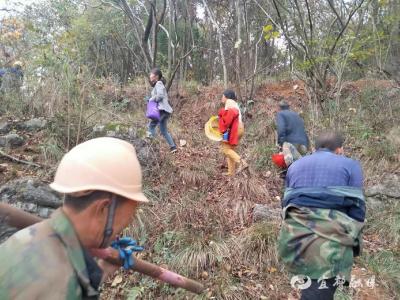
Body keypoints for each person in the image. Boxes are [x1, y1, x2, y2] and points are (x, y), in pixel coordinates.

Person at [0, 137, 149, 299]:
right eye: (130, 213)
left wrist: (102, 270)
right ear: (103, 208)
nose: (126, 224)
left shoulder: (22, 240)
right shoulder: (61, 284)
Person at [277, 131, 365, 300]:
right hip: (330, 241)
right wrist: (352, 239)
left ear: (315, 148)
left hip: (294, 238)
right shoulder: (350, 165)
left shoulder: (295, 165)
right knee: (318, 291)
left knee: (311, 288)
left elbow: (286, 203)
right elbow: (357, 209)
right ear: (339, 149)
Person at [146, 68, 177, 153]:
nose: (150, 76)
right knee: (163, 130)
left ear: (156, 76)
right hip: (165, 111)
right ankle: (173, 147)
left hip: (161, 110)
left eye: (151, 74)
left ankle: (152, 146)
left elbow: (160, 96)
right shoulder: (158, 84)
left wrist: (151, 99)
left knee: (151, 126)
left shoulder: (159, 83)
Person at [218, 89, 248, 176]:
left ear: (226, 96)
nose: (222, 98)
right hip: (240, 127)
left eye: (223, 96)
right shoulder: (234, 103)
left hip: (236, 128)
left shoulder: (229, 102)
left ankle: (242, 162)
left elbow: (229, 117)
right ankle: (231, 173)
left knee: (226, 150)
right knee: (230, 150)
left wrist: (223, 127)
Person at [275, 100, 309, 167]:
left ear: (279, 107)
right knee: (301, 164)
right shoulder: (296, 115)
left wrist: (281, 144)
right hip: (304, 144)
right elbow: (303, 130)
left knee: (291, 164)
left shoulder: (281, 114)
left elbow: (281, 129)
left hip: (292, 144)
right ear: (288, 107)